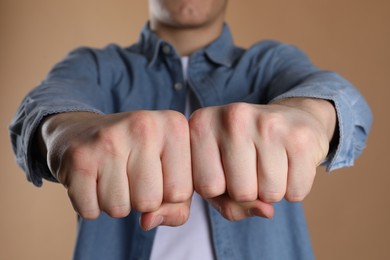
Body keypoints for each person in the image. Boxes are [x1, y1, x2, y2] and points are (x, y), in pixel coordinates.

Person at [9, 0, 372, 259]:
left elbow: (335, 93)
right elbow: (43, 107)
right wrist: (67, 131)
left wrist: (311, 116)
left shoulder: (271, 62)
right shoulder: (94, 66)